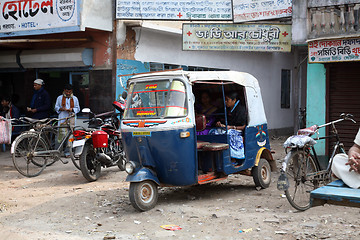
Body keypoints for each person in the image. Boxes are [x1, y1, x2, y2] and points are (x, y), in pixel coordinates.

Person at [54, 84, 80, 158]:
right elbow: (56, 107)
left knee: (69, 136)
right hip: (62, 118)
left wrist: (72, 109)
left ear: (71, 91)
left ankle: (68, 152)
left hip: (71, 119)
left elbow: (78, 108)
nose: (68, 93)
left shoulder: (75, 98)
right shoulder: (59, 98)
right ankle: (57, 152)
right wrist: (61, 109)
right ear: (64, 90)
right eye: (66, 91)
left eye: (69, 91)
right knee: (60, 136)